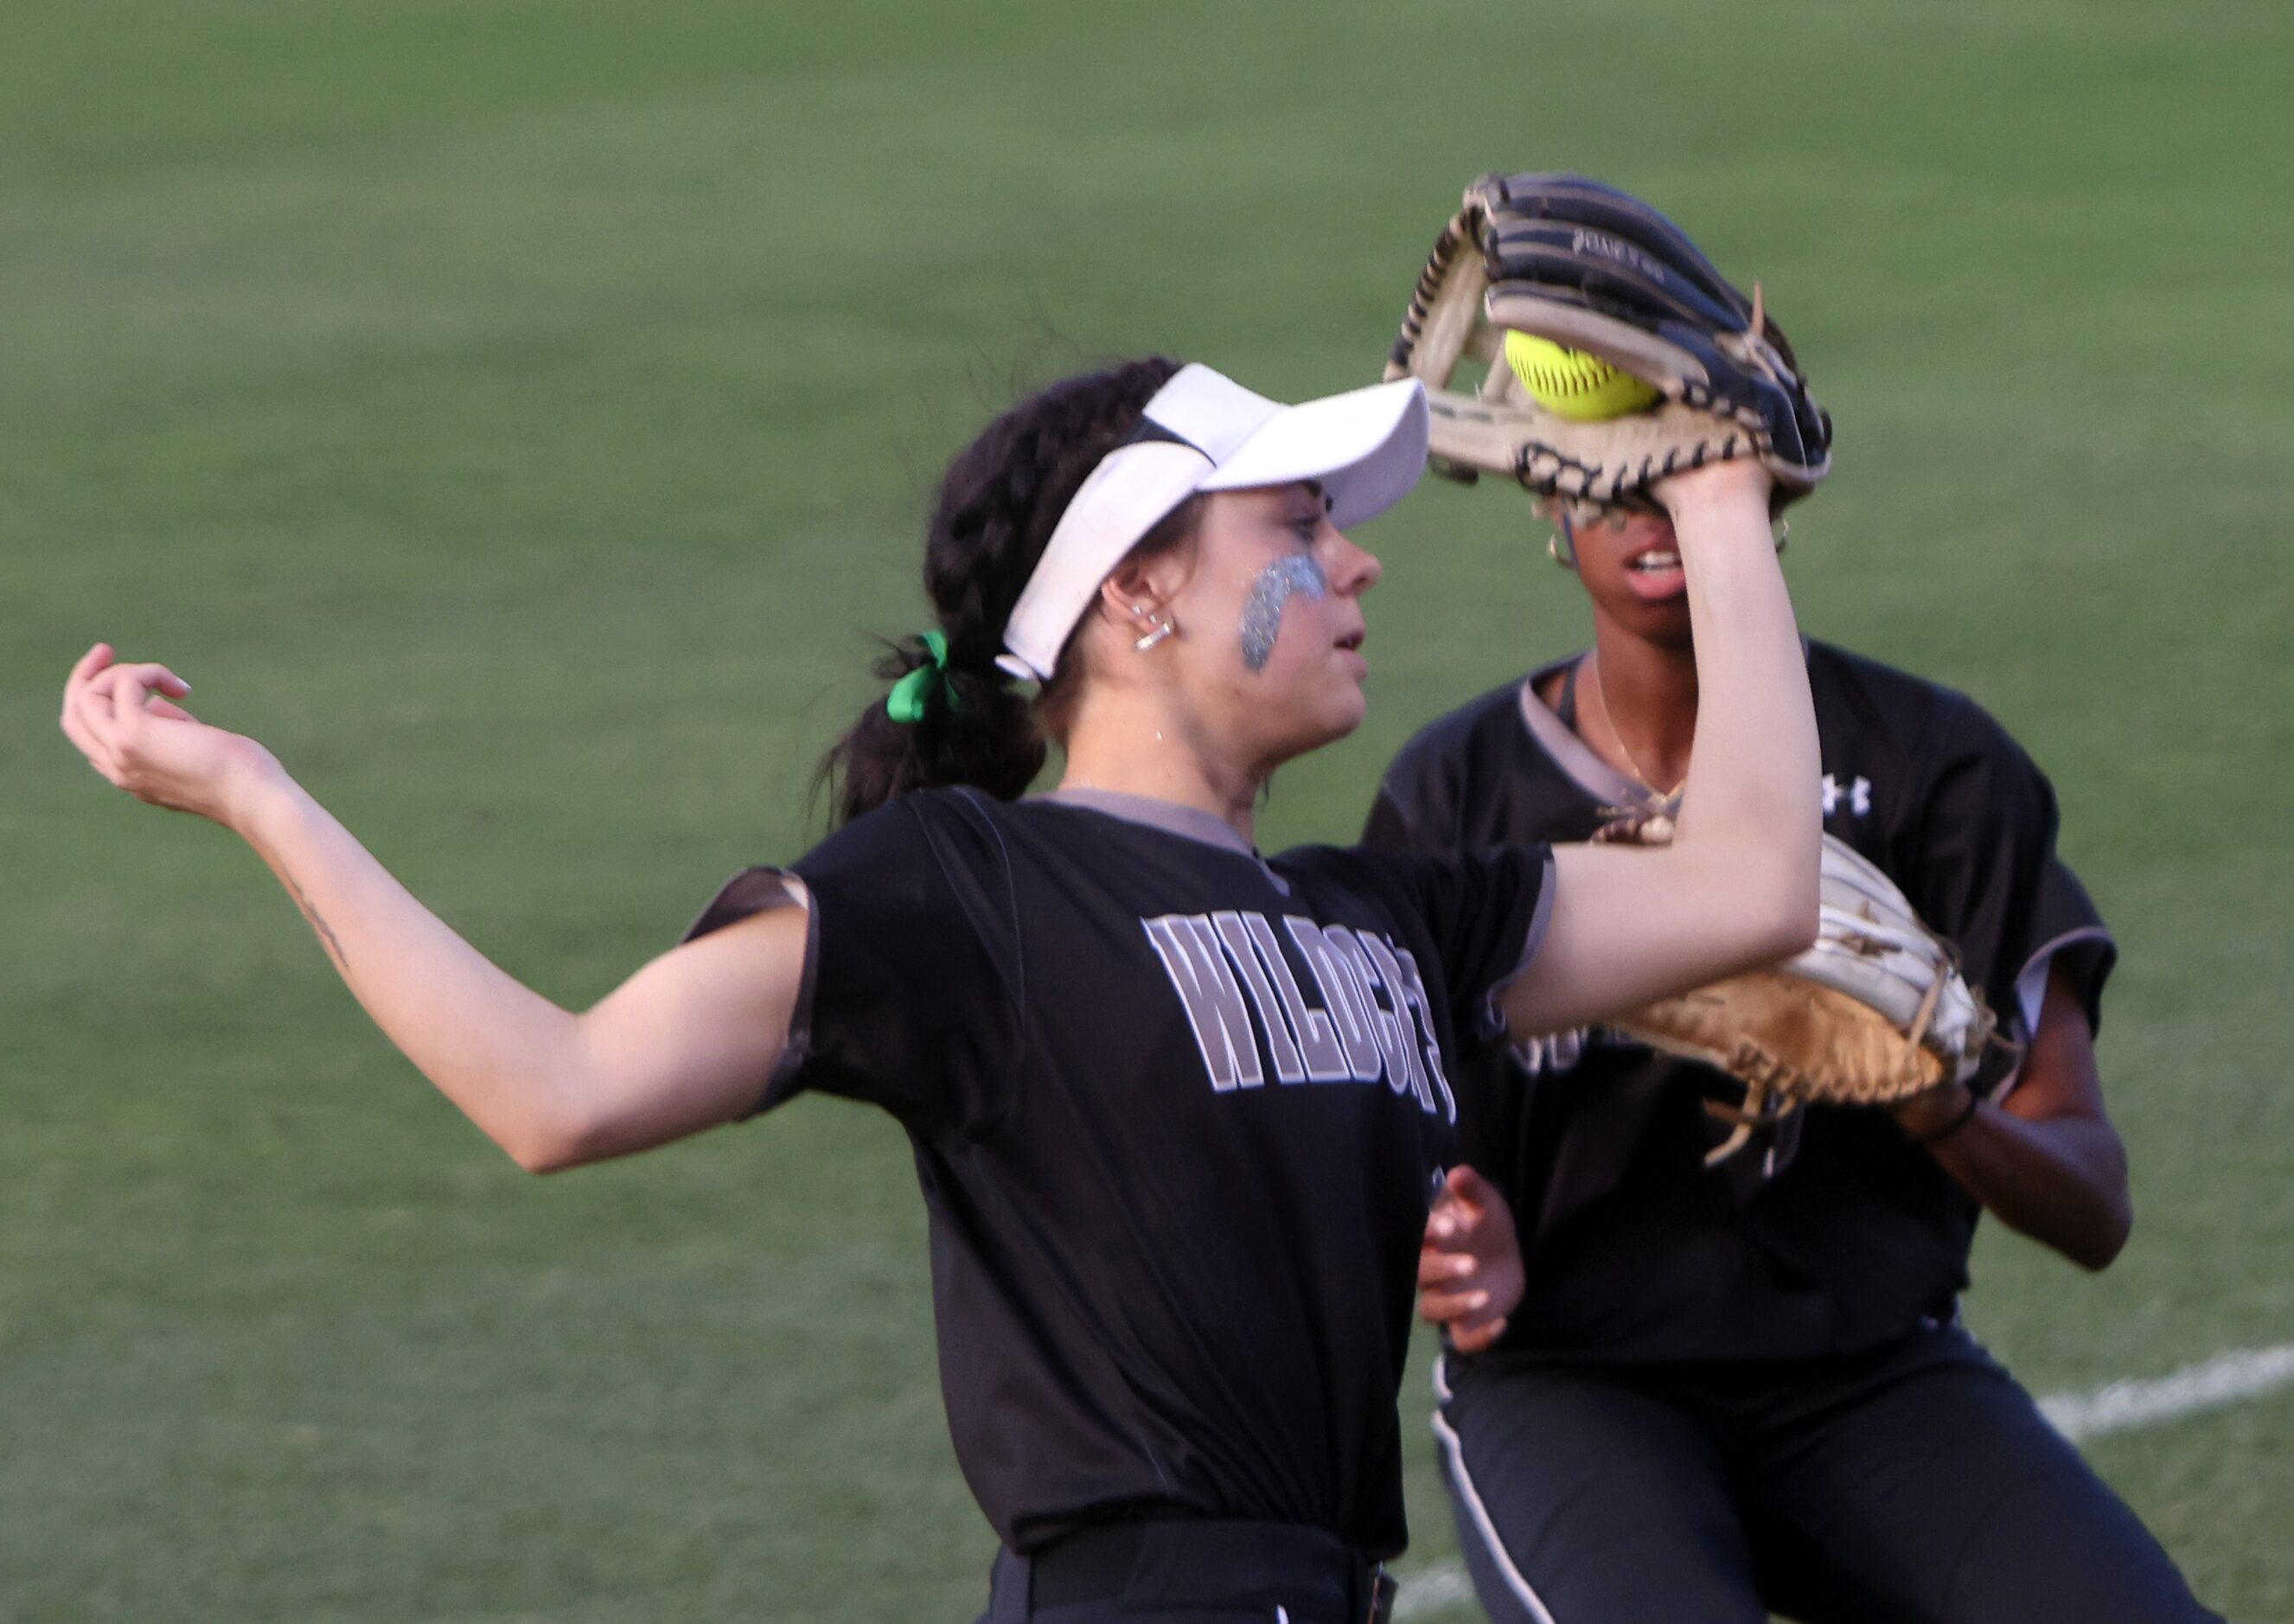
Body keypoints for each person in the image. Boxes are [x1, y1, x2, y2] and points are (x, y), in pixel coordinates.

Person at [60, 356, 1819, 1624]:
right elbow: (556, 1090)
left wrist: (1721, 495)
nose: (1352, 562)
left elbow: (1753, 880)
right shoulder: (968, 889)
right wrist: (256, 796)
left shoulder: (1393, 918)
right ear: (1137, 592)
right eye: (1291, 525)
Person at [1384, 502, 2221, 1623]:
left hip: (1869, 1374)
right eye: (1609, 472)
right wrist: (1445, 1227)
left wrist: (1935, 1103)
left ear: (1765, 483)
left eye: (1687, 468)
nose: (1650, 509)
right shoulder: (1455, 794)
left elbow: (2091, 1204)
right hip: (1571, 1385)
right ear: (1549, 495)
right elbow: (1379, 1150)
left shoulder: (1928, 767)